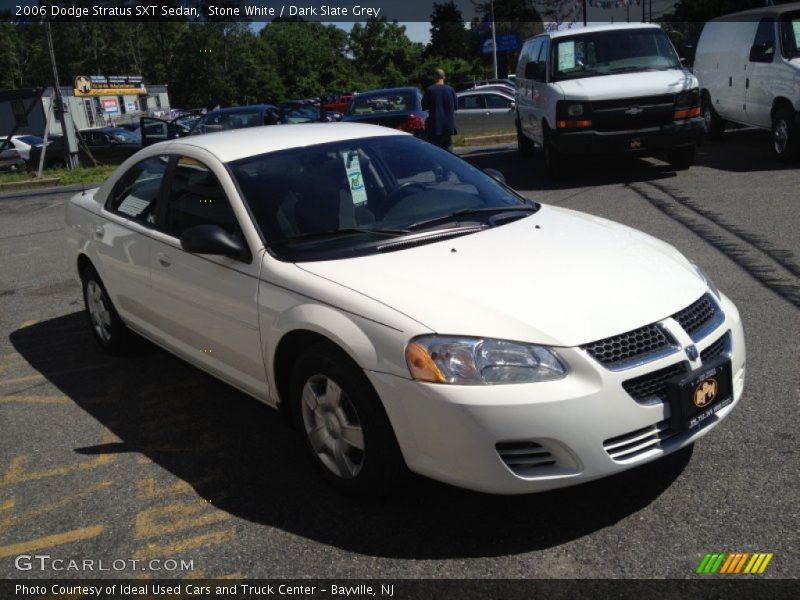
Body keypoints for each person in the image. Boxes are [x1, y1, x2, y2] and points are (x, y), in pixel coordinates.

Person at [422, 68, 458, 151]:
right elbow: (456, 107)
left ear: (435, 77)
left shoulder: (430, 90)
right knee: (449, 153)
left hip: (435, 128)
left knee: (437, 152)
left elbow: (424, 107)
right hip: (449, 127)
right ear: (444, 77)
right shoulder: (451, 90)